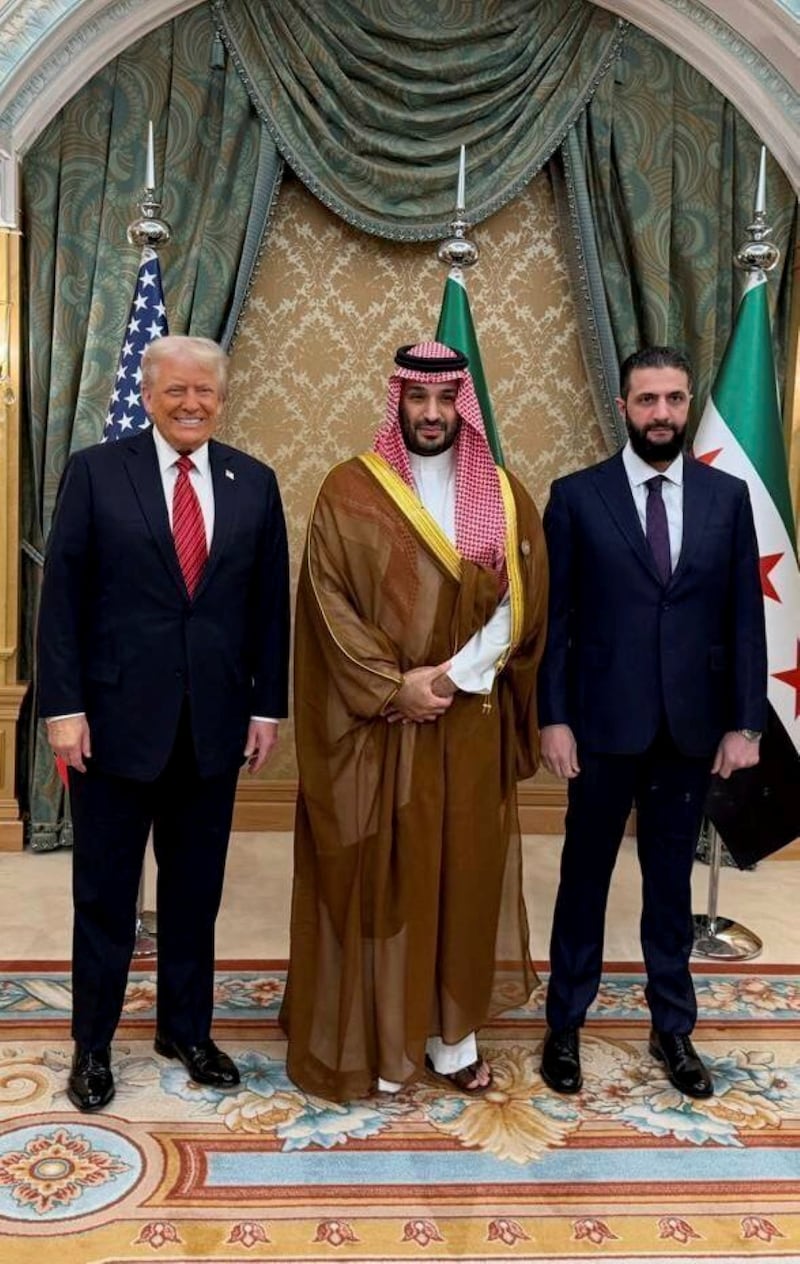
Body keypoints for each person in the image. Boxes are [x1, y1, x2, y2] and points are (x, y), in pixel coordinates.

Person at [279, 341, 548, 1102]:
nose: (431, 414)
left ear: (461, 404)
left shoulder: (501, 494)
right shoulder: (349, 491)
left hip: (465, 726)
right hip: (380, 728)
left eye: (444, 400)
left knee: (462, 873)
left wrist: (451, 680)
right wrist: (396, 687)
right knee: (385, 878)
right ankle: (383, 1037)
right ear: (398, 402)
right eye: (417, 400)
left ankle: (451, 1040)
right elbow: (327, 603)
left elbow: (522, 602)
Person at [38, 334, 290, 1112]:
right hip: (112, 726)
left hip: (212, 727)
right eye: (175, 391)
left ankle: (186, 1029)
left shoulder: (253, 482)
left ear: (221, 397)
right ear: (146, 396)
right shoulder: (95, 472)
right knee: (106, 897)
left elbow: (267, 605)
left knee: (195, 893)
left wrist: (264, 706)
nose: (190, 404)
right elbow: (64, 601)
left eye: (204, 392)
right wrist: (63, 710)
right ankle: (93, 1044)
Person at [537, 346, 767, 1100]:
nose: (661, 414)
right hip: (601, 726)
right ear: (624, 407)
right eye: (647, 401)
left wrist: (744, 723)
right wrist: (555, 719)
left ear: (688, 403)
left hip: (690, 730)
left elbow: (743, 618)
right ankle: (564, 1024)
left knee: (669, 884)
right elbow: (556, 622)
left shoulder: (726, 498)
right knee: (584, 881)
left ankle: (673, 1027)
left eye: (673, 400)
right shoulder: (575, 497)